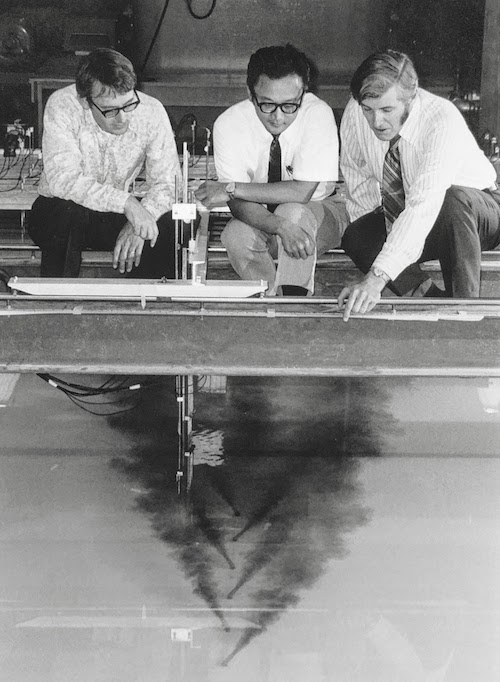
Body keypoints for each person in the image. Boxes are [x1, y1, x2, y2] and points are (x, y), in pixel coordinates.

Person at [337, 49, 500, 320]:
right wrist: (373, 255)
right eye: (369, 110)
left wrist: (377, 278)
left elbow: (424, 205)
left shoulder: (441, 119)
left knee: (451, 202)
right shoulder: (355, 112)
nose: (376, 122)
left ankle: (465, 311)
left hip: (477, 213)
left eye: (387, 109)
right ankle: (431, 300)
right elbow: (359, 183)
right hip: (415, 215)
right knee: (357, 234)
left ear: (411, 98)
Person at [195, 43, 347, 296]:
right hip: (267, 220)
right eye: (266, 104)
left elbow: (301, 193)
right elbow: (237, 204)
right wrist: (280, 227)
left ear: (304, 93)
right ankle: (271, 299)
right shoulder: (229, 124)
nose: (278, 117)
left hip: (324, 214)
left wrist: (231, 188)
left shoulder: (318, 113)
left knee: (292, 212)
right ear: (249, 93)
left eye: (289, 105)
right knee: (235, 236)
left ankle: (293, 299)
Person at [28, 48, 180, 278]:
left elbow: (169, 183)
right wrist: (128, 203)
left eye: (129, 105)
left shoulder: (152, 110)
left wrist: (141, 220)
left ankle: (147, 306)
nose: (123, 118)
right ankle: (60, 302)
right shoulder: (63, 105)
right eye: (110, 110)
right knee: (67, 214)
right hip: (61, 211)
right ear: (85, 101)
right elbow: (63, 180)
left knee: (170, 223)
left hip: (113, 215)